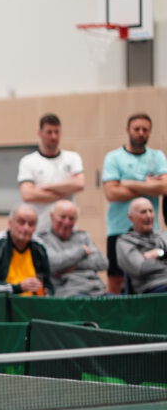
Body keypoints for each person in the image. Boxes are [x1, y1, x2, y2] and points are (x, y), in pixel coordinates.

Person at [102, 113, 167, 294]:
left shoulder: (157, 157)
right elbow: (111, 193)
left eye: (145, 130)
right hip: (118, 229)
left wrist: (128, 183)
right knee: (116, 280)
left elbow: (165, 187)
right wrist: (149, 185)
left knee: (154, 269)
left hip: (150, 232)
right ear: (128, 130)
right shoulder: (114, 158)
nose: (140, 133)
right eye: (136, 129)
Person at [17, 113, 84, 232]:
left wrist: (46, 187)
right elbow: (28, 195)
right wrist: (65, 191)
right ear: (40, 133)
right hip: (40, 229)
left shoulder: (72, 158)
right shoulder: (28, 161)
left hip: (67, 231)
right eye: (49, 132)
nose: (53, 136)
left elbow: (79, 184)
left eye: (57, 132)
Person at [35, 200, 108, 298]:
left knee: (122, 303)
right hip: (69, 293)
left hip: (97, 290)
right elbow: (52, 264)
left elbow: (103, 262)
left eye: (71, 218)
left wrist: (72, 265)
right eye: (62, 217)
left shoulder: (83, 237)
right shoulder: (43, 240)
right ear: (52, 217)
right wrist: (81, 251)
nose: (67, 222)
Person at [0, 204, 54, 296]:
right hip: (3, 302)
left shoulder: (39, 247)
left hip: (33, 302)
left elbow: (47, 283)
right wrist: (19, 288)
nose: (26, 228)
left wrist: (47, 293)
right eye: (21, 222)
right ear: (10, 223)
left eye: (31, 224)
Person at [116, 197, 167, 294]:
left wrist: (160, 254)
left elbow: (145, 263)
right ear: (131, 217)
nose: (149, 216)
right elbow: (140, 268)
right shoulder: (125, 242)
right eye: (143, 212)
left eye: (151, 211)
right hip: (152, 288)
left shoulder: (163, 235)